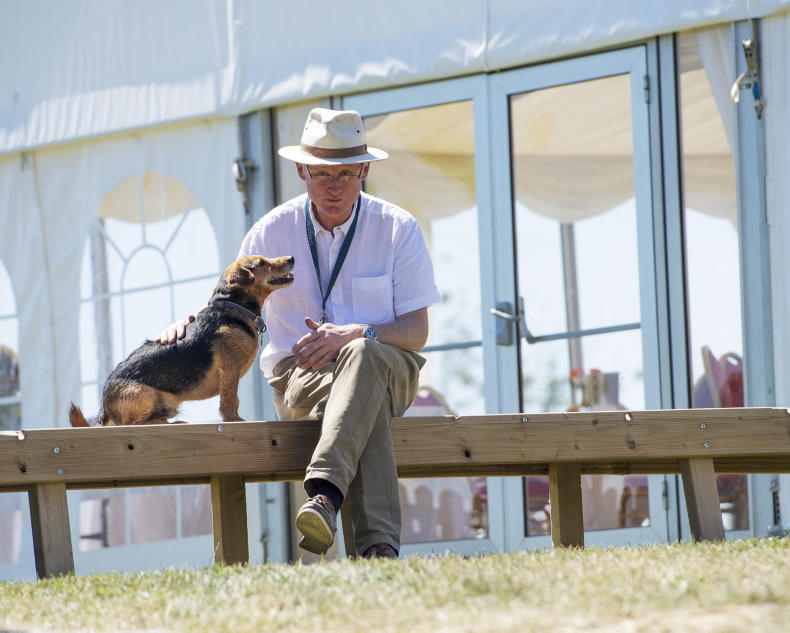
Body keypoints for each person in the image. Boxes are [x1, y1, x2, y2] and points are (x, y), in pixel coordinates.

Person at [159, 108, 440, 559]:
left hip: (390, 369)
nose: (335, 186)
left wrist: (358, 333)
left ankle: (324, 494)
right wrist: (185, 326)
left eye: (346, 173)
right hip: (301, 376)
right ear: (301, 171)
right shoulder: (270, 230)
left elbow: (416, 332)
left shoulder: (398, 228)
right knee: (357, 403)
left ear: (365, 171)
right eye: (322, 173)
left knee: (363, 354)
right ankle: (379, 553)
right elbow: (227, 301)